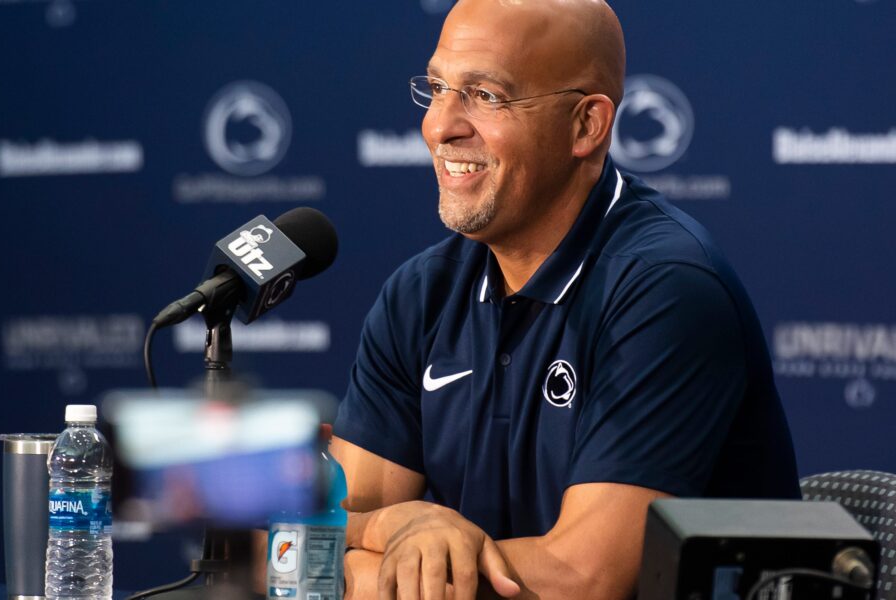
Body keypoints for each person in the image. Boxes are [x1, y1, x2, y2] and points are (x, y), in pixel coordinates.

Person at [331, 0, 800, 598]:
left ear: (587, 126)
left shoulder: (666, 287)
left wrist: (367, 576)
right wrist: (402, 521)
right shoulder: (420, 294)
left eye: (485, 95)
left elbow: (584, 579)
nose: (439, 125)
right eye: (437, 88)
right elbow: (315, 534)